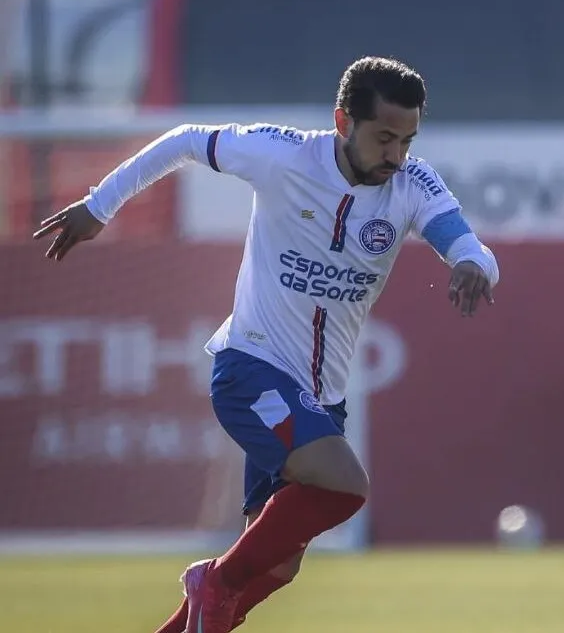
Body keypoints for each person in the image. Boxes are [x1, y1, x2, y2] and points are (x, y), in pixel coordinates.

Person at [33, 56, 500, 633]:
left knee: (277, 566)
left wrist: (471, 263)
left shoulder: (411, 184)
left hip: (320, 396)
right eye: (383, 138)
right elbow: (184, 140)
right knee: (344, 486)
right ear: (341, 121)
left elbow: (465, 240)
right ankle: (213, 581)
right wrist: (99, 205)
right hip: (252, 367)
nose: (395, 155)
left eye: (406, 140)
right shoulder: (283, 155)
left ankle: (199, 611)